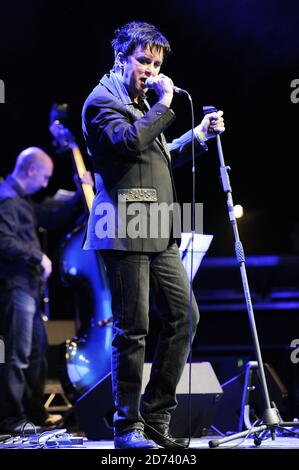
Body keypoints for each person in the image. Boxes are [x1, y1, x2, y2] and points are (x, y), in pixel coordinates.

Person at [82, 21, 225, 449]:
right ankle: (126, 428)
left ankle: (156, 415)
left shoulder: (144, 102)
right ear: (121, 58)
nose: (151, 69)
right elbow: (128, 143)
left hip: (159, 229)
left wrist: (197, 136)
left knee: (185, 316)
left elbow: (155, 155)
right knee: (134, 328)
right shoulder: (100, 102)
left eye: (157, 63)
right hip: (123, 228)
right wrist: (163, 105)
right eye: (143, 61)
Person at [0, 146, 93, 433]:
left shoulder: (21, 199)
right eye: (44, 177)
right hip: (15, 286)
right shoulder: (5, 198)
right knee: (18, 354)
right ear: (30, 170)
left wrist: (81, 192)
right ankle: (12, 419)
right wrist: (37, 255)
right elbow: (3, 240)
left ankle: (35, 416)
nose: (45, 183)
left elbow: (49, 217)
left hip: (27, 288)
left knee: (36, 351)